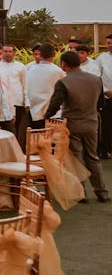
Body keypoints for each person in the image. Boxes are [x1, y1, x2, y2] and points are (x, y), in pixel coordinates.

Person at [43, 50, 108, 202]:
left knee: (76, 159)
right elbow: (101, 104)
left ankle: (81, 193)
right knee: (93, 157)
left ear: (64, 63)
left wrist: (46, 116)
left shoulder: (64, 82)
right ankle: (102, 192)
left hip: (72, 124)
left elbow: (55, 104)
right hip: (92, 123)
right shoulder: (96, 79)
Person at [26, 44, 64, 130]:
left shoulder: (30, 70)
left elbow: (26, 91)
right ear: (53, 55)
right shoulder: (58, 71)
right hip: (54, 114)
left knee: (37, 140)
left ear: (40, 54)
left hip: (35, 113)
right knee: (54, 141)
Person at [1, 45, 29, 147]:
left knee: (18, 129)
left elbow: (25, 85)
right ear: (2, 53)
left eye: (10, 51)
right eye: (5, 51)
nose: (8, 53)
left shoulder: (21, 67)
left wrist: (27, 101)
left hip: (18, 101)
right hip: (3, 103)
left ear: (14, 53)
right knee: (5, 129)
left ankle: (19, 151)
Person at [99, 34, 112, 159]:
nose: (110, 45)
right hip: (107, 97)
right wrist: (106, 90)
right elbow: (98, 77)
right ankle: (106, 150)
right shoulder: (101, 59)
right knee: (107, 125)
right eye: (108, 43)